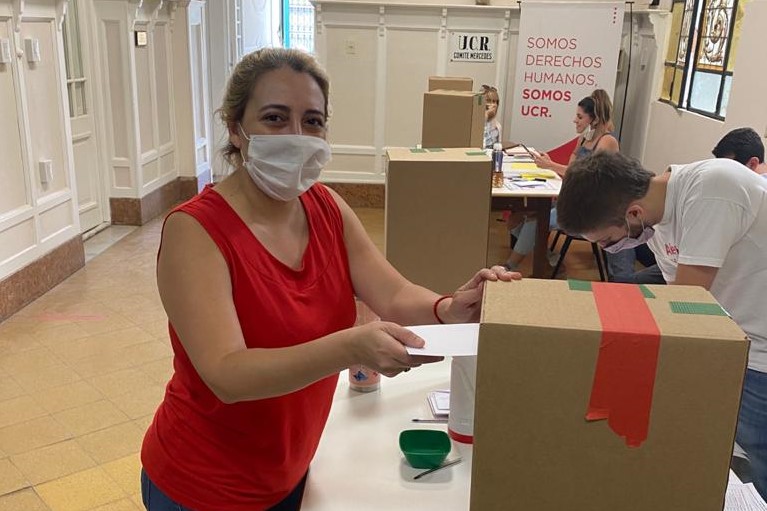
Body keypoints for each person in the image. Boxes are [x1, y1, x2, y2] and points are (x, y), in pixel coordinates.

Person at [139, 48, 519, 511]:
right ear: (236, 128)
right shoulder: (195, 231)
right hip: (204, 486)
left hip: (292, 471)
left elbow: (393, 292)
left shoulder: (325, 208)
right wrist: (350, 347)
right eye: (275, 118)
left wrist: (447, 308)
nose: (297, 136)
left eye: (312, 121)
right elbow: (226, 375)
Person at [556, 150, 767, 499]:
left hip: (759, 351)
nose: (611, 249)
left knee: (759, 458)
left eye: (608, 241)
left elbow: (687, 305)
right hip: (734, 337)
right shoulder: (655, 220)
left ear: (633, 213)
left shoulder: (713, 188)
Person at [503, 90, 641, 281]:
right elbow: (572, 170)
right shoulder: (583, 139)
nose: (575, 120)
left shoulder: (607, 142)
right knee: (516, 219)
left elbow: (587, 176)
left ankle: (510, 266)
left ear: (593, 119)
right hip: (573, 198)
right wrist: (550, 164)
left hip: (591, 208)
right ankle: (549, 260)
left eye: (580, 117)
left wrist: (550, 165)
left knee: (537, 220)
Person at [482, 84, 502, 149]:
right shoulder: (475, 123)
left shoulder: (497, 126)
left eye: (495, 102)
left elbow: (498, 147)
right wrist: (486, 116)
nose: (493, 105)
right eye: (489, 101)